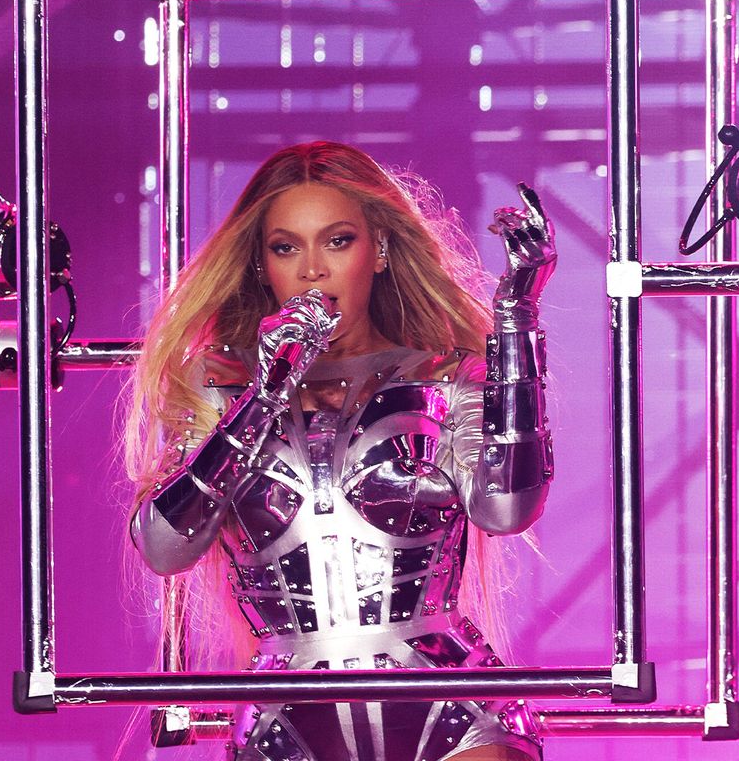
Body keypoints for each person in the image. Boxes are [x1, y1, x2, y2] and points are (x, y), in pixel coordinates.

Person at [123, 141, 556, 761]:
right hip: (286, 715)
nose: (311, 271)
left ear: (378, 250)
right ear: (260, 265)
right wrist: (266, 393)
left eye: (336, 241)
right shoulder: (218, 382)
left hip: (448, 694)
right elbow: (164, 549)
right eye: (285, 247)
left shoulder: (446, 376)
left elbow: (506, 513)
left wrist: (516, 321)